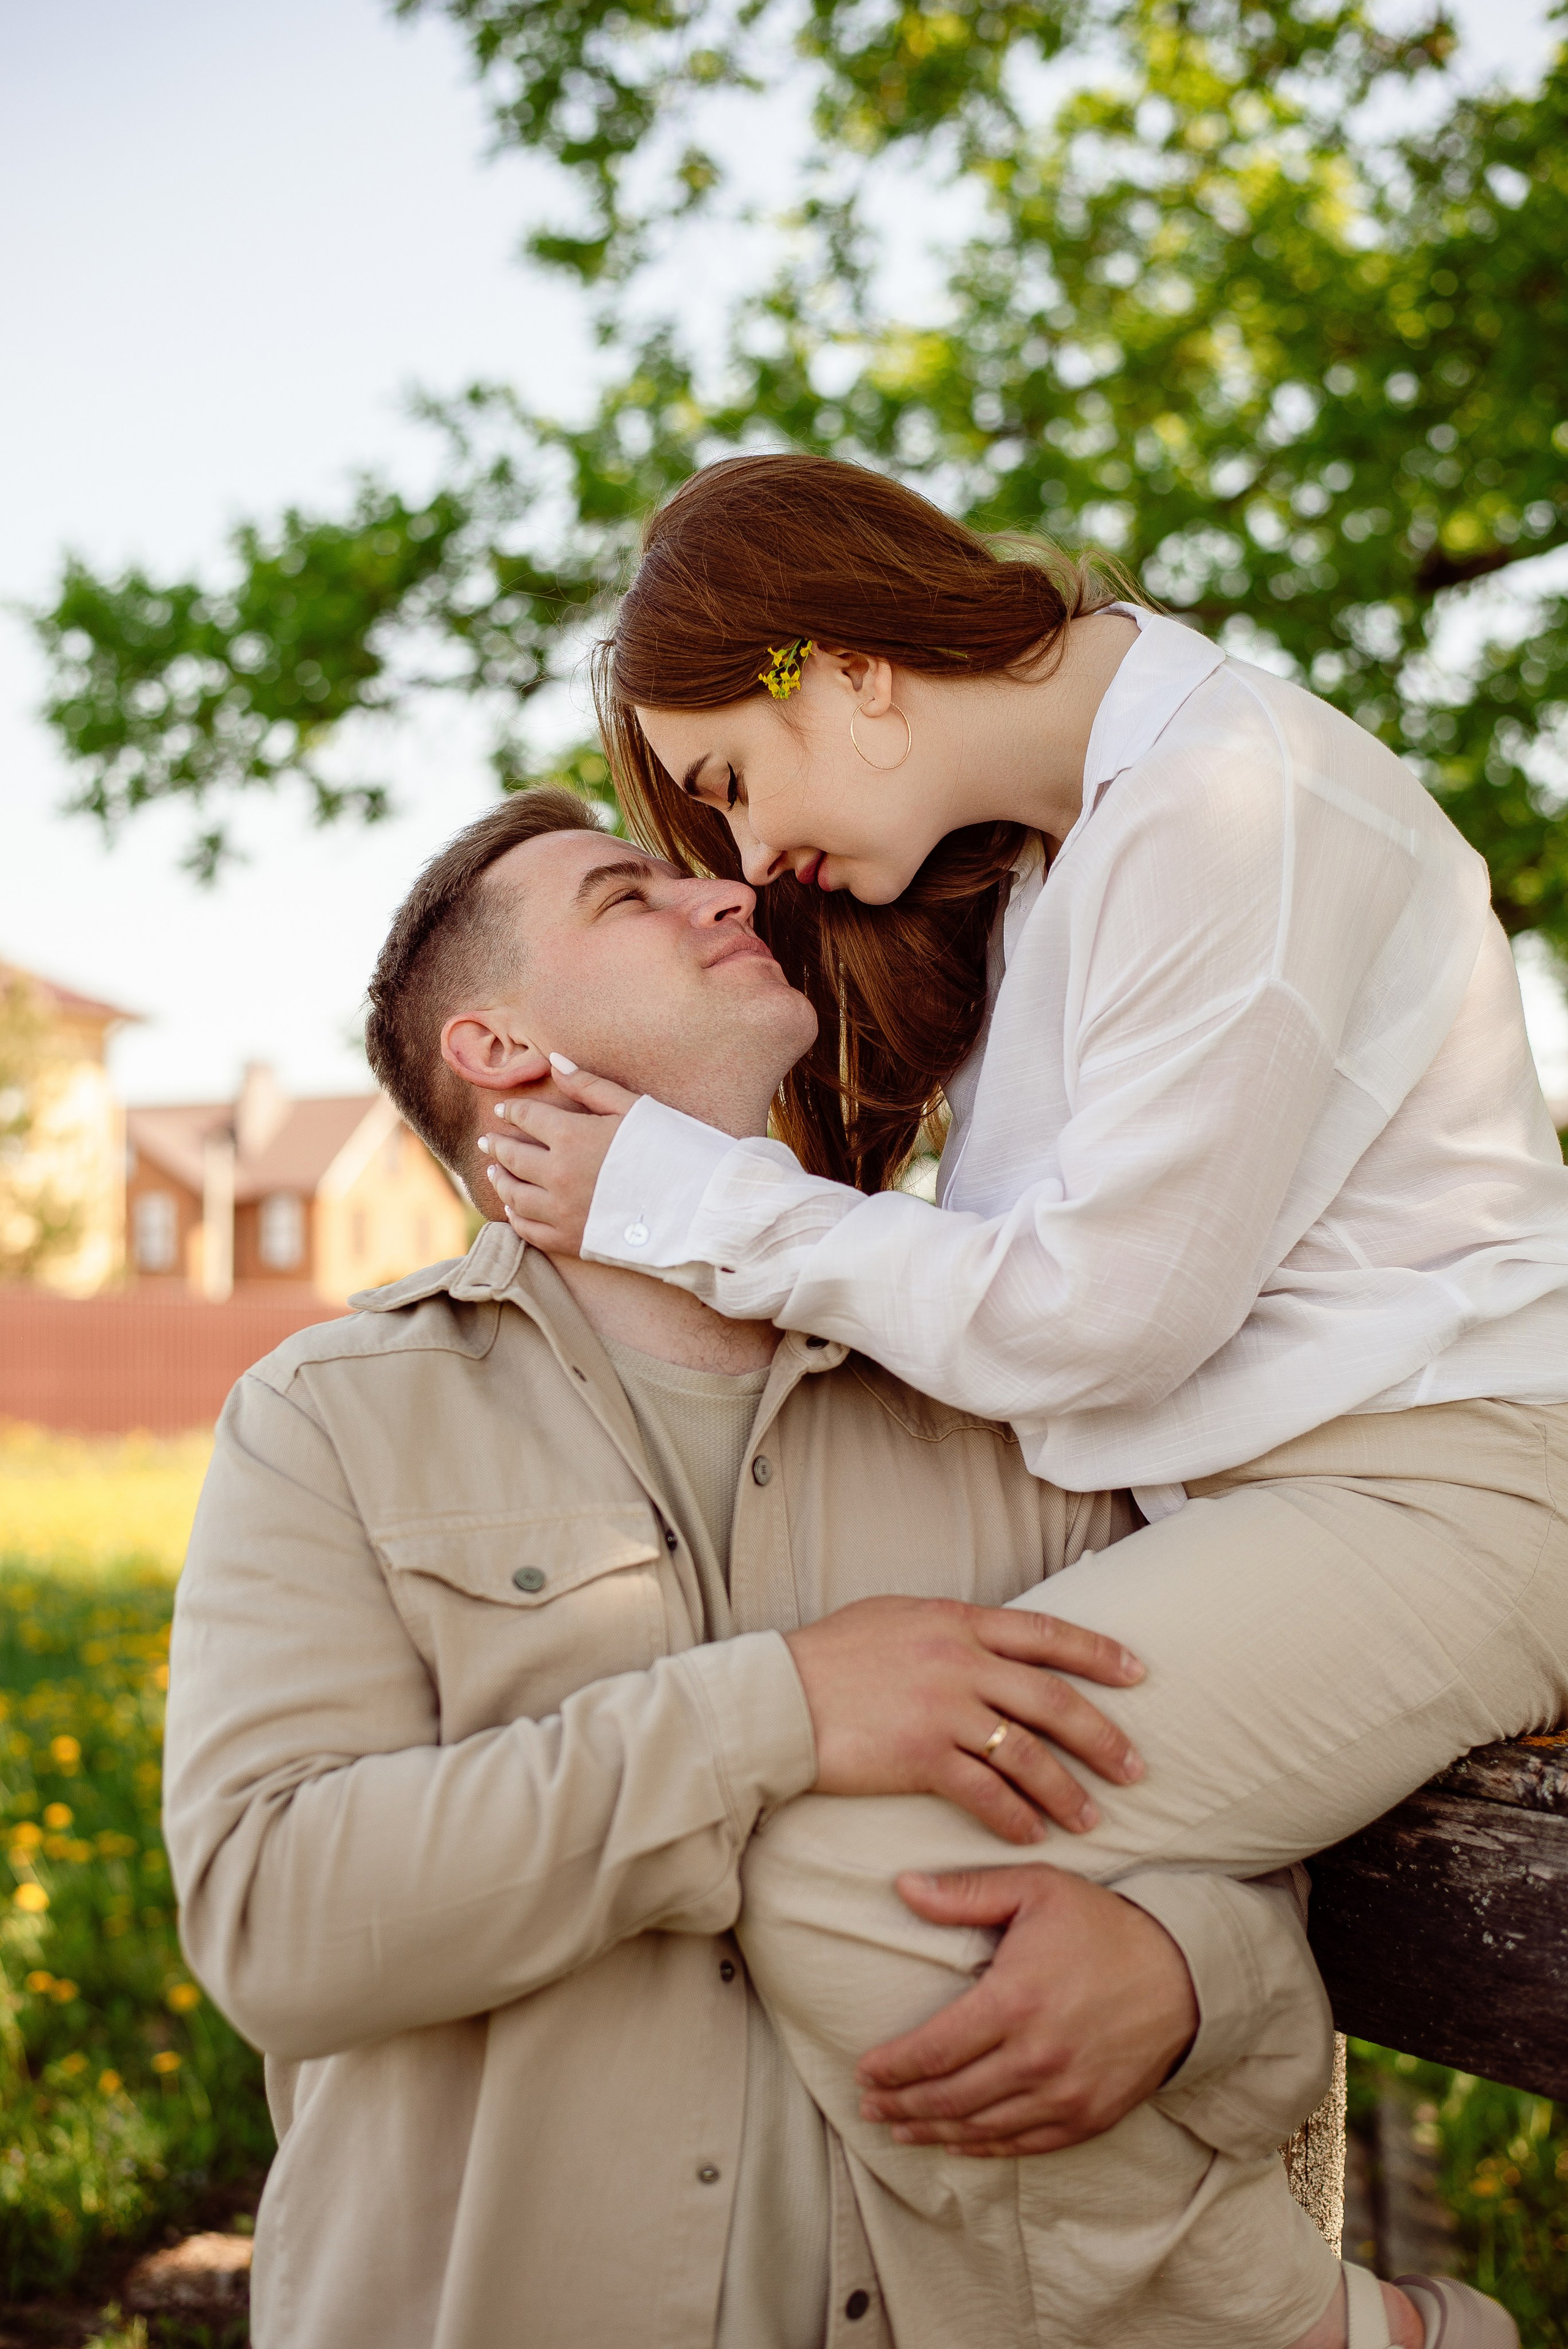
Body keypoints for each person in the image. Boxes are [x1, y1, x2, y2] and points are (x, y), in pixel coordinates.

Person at [479, 452, 1568, 2349]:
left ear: (845, 672)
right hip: (1280, 1519)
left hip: (1450, 1490)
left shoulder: (1240, 797)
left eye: (731, 778)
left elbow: (1097, 1323)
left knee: (852, 1873)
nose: (748, 856)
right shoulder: (1077, 853)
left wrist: (695, 1197)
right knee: (826, 1815)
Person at [162, 789, 1341, 2349]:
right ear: (497, 1047)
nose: (726, 896)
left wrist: (1185, 1974)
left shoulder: (1003, 1405)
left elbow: (1223, 1821)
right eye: (627, 895)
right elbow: (275, 1920)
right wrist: (781, 1708)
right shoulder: (331, 1417)